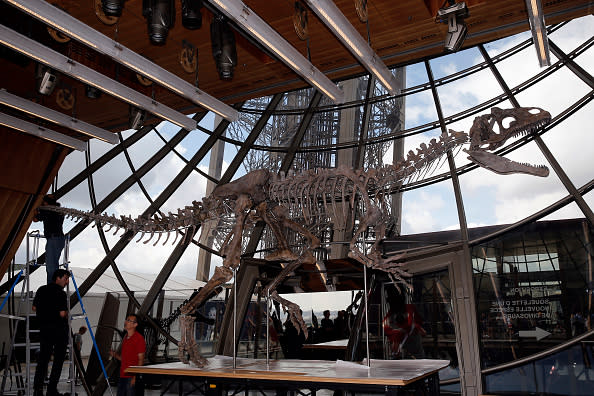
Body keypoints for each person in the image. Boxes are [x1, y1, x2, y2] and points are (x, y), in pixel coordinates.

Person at [32, 269, 70, 396]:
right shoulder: (61, 293)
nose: (67, 281)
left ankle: (37, 389)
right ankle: (52, 389)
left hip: (44, 329)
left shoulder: (41, 289)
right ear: (57, 278)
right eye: (65, 278)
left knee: (43, 359)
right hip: (59, 330)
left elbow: (34, 308)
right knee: (58, 361)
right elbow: (62, 313)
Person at [110, 314, 146, 396]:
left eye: (129, 320)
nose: (126, 322)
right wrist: (115, 355)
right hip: (123, 375)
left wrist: (135, 376)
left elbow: (141, 359)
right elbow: (125, 359)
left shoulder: (139, 338)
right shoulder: (126, 338)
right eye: (126, 320)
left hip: (131, 376)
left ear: (135, 325)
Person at [34, 194, 65, 284]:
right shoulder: (59, 210)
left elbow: (35, 219)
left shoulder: (47, 210)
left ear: (45, 202)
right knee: (54, 265)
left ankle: (51, 289)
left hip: (53, 239)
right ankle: (55, 287)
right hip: (59, 239)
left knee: (51, 267)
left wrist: (36, 211)